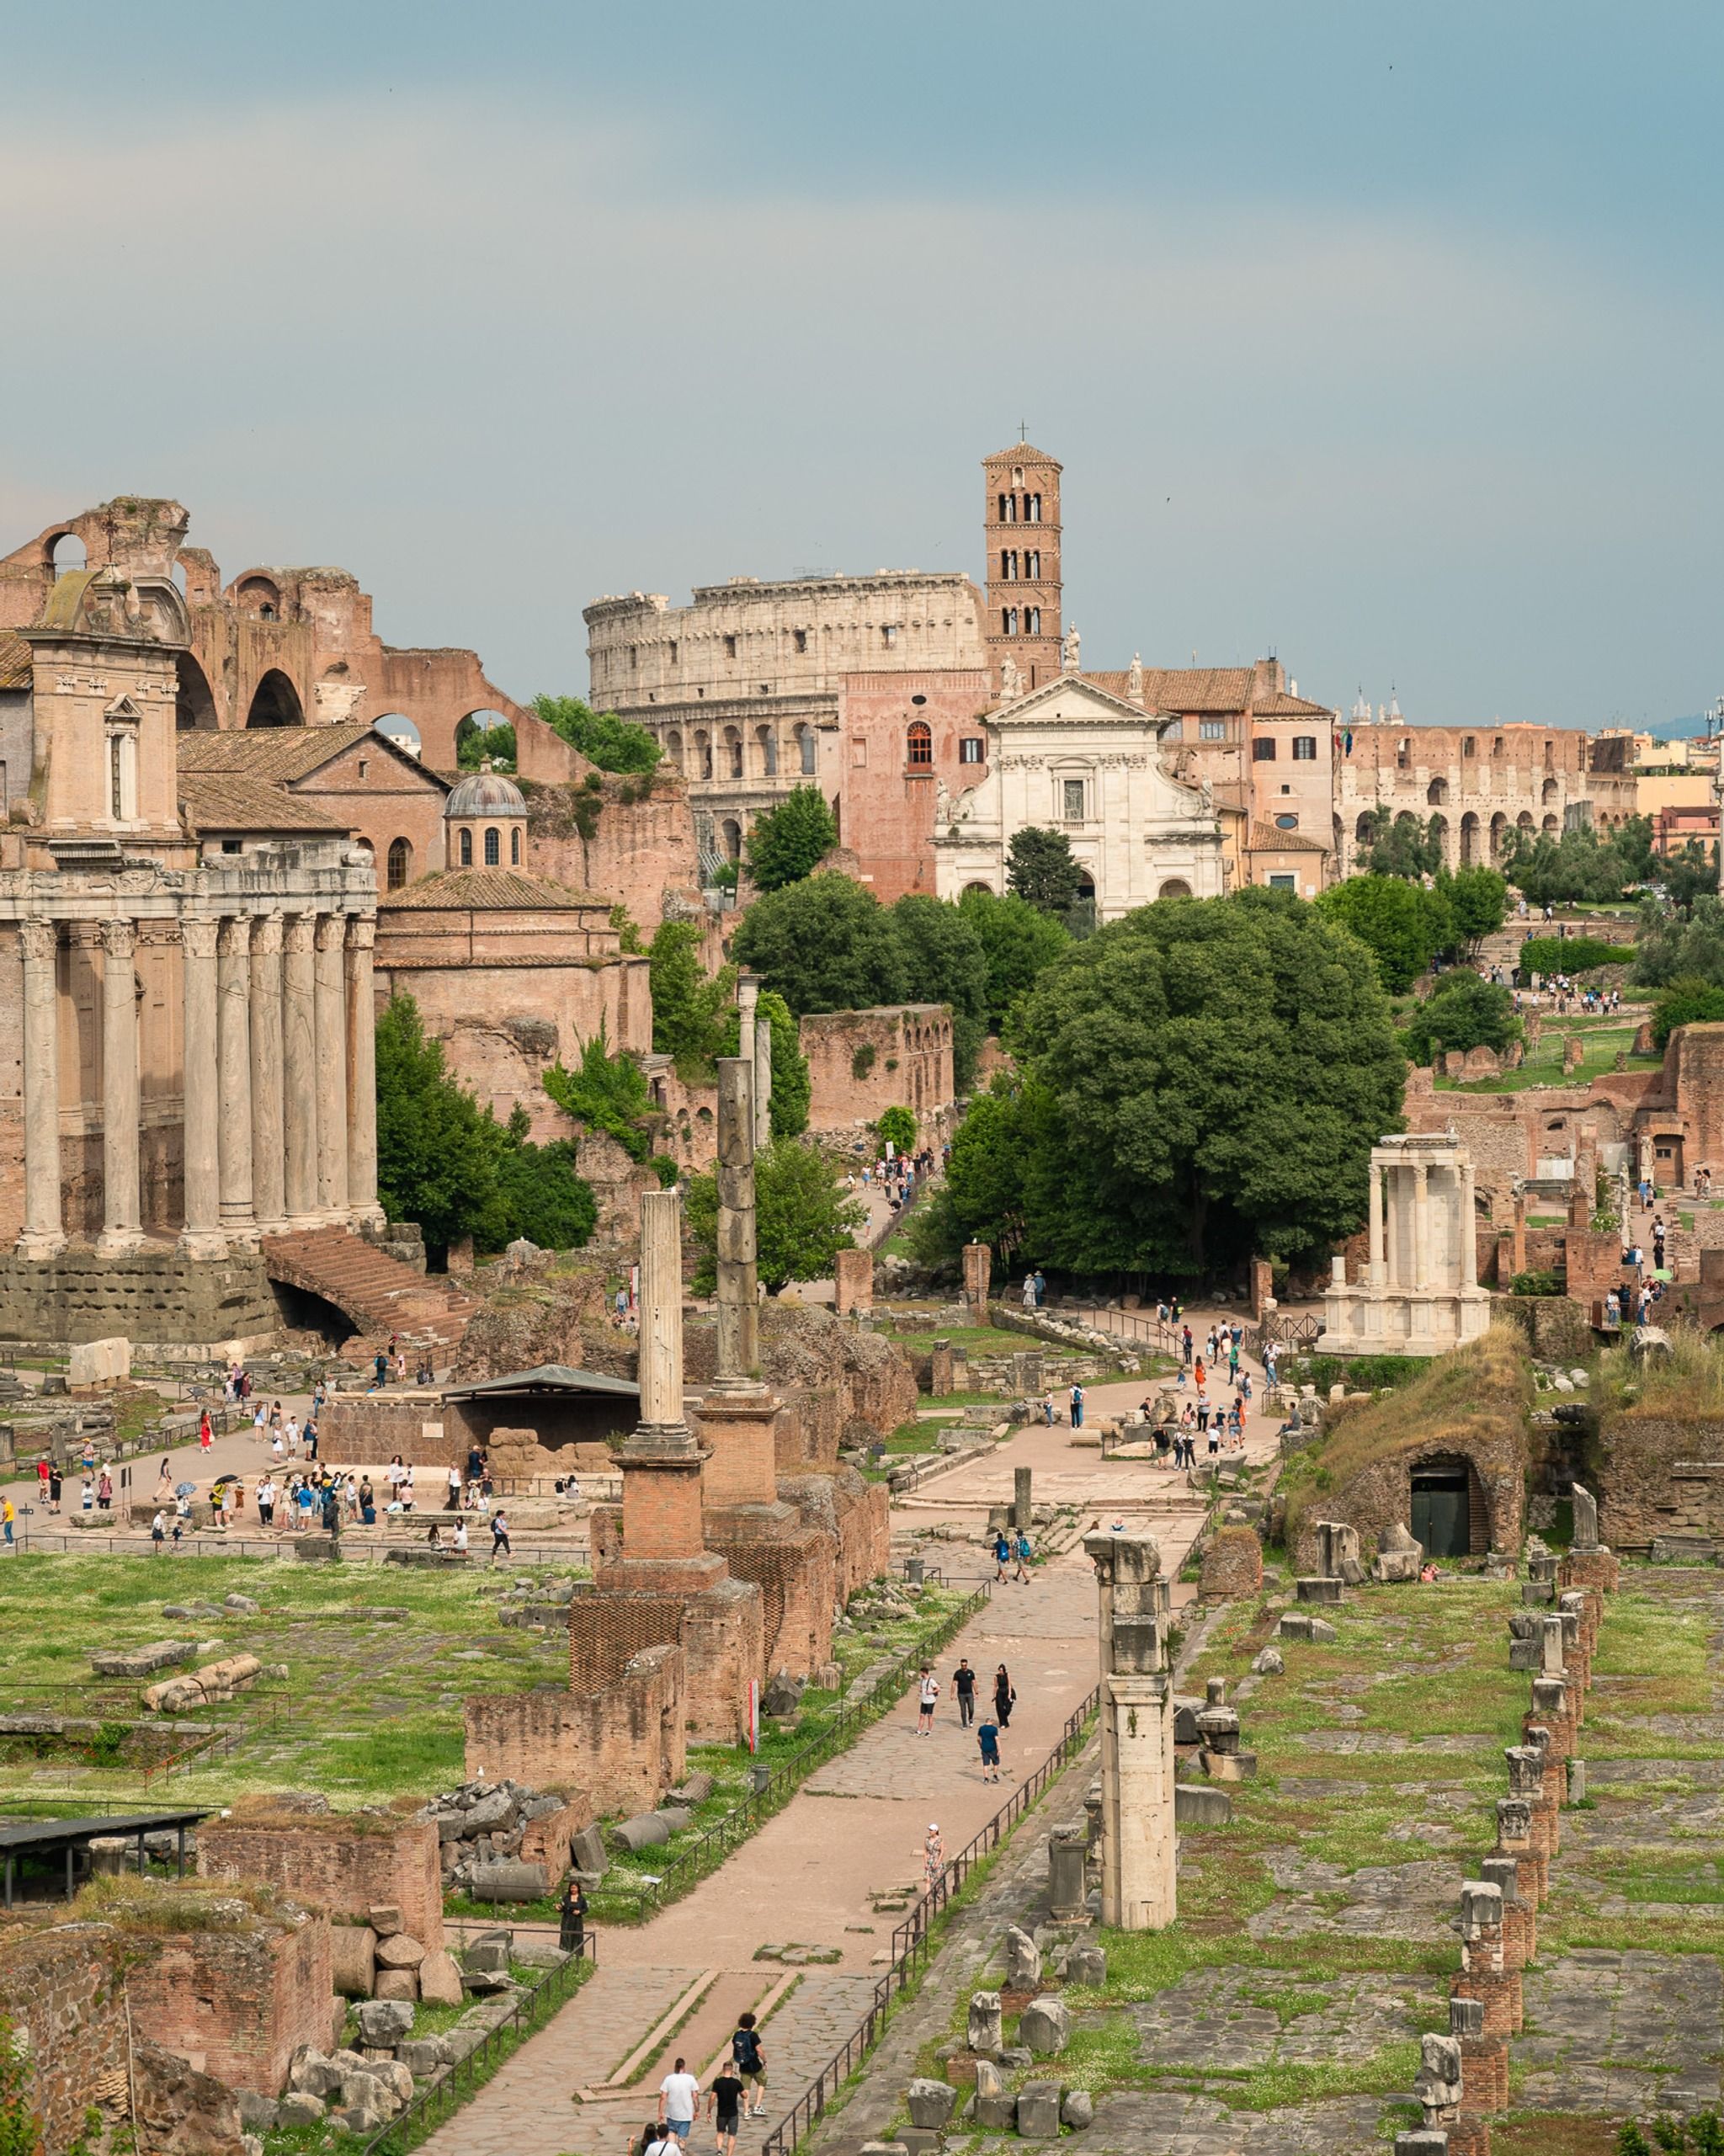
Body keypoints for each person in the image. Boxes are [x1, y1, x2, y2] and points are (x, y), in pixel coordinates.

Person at [730, 2011, 768, 2119]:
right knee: (762, 2080)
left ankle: (746, 2112)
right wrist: (764, 2060)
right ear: (752, 2023)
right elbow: (759, 2051)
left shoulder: (737, 2035)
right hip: (754, 2064)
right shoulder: (753, 2035)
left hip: (743, 2064)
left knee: (746, 2087)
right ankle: (757, 2106)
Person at [659, 2058, 700, 2150]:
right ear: (684, 2066)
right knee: (682, 2138)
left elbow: (663, 2097)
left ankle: (671, 2152)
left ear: (675, 2066)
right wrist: (697, 2110)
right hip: (685, 2115)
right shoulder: (690, 2079)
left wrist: (660, 2112)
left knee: (671, 2135)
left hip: (671, 2114)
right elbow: (695, 2096)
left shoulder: (668, 2079)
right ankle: (681, 2152)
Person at [707, 2058, 745, 2156]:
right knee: (732, 2135)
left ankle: (719, 2150)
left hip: (721, 2113)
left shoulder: (718, 2082)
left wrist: (709, 2111)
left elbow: (712, 2097)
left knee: (720, 2132)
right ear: (732, 2070)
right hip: (733, 2113)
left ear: (723, 2070)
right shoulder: (736, 2083)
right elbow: (745, 2095)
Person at [559, 1872, 588, 1953]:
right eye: (572, 1888)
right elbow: (563, 1908)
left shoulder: (581, 1899)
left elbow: (586, 1909)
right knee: (566, 1935)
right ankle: (566, 1951)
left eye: (575, 1888)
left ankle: (577, 1952)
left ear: (578, 1889)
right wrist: (559, 1908)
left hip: (577, 1920)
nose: (573, 1890)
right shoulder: (566, 1898)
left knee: (577, 1935)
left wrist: (579, 1912)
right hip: (567, 1919)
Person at [951, 1658, 976, 1727]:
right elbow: (954, 1683)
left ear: (967, 1665)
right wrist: (952, 1694)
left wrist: (976, 1692)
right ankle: (964, 1723)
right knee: (963, 1710)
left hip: (969, 1693)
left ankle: (970, 1718)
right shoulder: (958, 1673)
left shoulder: (970, 1672)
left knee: (971, 1708)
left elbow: (974, 1682)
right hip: (961, 1694)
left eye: (965, 1665)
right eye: (962, 1665)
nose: (963, 1667)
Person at [977, 1711, 1001, 1782]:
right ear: (991, 1721)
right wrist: (999, 1749)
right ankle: (995, 1776)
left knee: (985, 1764)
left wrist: (980, 1745)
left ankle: (986, 1778)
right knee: (996, 1762)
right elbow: (996, 1739)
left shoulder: (981, 1728)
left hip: (984, 1748)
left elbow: (978, 1739)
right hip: (993, 1748)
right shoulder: (994, 1729)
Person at [917, 1664, 939, 1736]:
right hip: (924, 1700)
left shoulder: (931, 1680)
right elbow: (922, 1688)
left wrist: (931, 1692)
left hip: (930, 1701)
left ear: (924, 1672)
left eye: (921, 1673)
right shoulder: (922, 1680)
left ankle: (929, 1730)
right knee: (921, 1715)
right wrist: (920, 1690)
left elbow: (938, 1688)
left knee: (929, 1715)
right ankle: (919, 1730)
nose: (920, 1674)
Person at [922, 1820, 944, 1887]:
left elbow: (942, 1851)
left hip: (937, 1861)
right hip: (929, 1861)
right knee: (928, 1880)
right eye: (929, 1830)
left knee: (937, 1880)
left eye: (931, 1830)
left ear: (935, 1831)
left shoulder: (940, 1839)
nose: (930, 1831)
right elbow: (925, 1851)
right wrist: (925, 1862)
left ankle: (938, 1895)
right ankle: (928, 1896)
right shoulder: (927, 1839)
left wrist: (938, 1862)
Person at [993, 1663, 1015, 1729]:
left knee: (1007, 1708)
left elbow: (1009, 1684)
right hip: (1000, 1692)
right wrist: (994, 1695)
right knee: (1000, 1708)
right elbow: (995, 1686)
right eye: (999, 1670)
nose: (1000, 1672)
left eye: (1001, 1670)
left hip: (1006, 1691)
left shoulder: (1007, 1675)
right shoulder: (996, 1676)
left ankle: (1005, 1720)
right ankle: (1002, 1723)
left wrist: (1009, 1693)